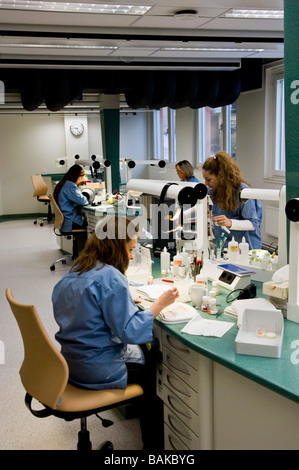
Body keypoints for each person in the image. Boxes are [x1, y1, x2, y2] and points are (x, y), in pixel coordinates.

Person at [52, 216, 179, 449]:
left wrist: (124, 303)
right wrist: (159, 305)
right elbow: (130, 331)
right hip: (98, 370)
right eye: (130, 249)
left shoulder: (74, 272)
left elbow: (88, 318)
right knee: (154, 368)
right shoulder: (111, 277)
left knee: (144, 352)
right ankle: (154, 449)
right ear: (115, 245)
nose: (131, 256)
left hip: (71, 365)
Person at [202, 151, 262, 249]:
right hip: (225, 246)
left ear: (221, 176)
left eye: (208, 179)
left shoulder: (243, 192)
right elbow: (202, 206)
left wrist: (230, 222)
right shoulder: (213, 191)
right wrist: (183, 215)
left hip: (245, 248)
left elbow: (253, 224)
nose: (206, 183)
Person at [53, 164, 88, 254]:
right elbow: (83, 201)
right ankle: (82, 259)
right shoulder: (70, 185)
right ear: (77, 176)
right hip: (69, 220)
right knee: (89, 227)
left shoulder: (63, 183)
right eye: (81, 178)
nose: (81, 181)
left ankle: (79, 256)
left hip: (64, 219)